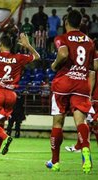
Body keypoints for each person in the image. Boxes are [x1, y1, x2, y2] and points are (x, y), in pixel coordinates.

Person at [45, 10, 98, 174]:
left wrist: (54, 65)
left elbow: (63, 53)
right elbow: (95, 66)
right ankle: (86, 150)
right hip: (81, 85)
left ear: (66, 23)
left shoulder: (62, 38)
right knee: (80, 122)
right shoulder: (89, 41)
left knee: (57, 123)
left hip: (63, 84)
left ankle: (55, 162)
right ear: (80, 23)